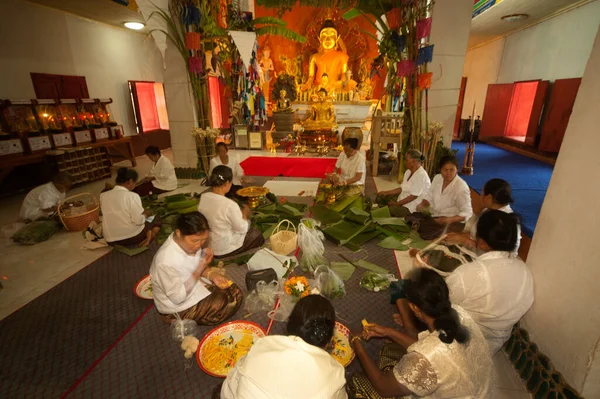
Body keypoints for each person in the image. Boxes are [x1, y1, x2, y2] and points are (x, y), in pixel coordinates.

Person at [350, 269, 496, 398]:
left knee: (357, 382)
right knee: (392, 351)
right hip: (476, 389)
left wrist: (357, 344)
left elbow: (383, 388)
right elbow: (429, 348)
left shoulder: (425, 357)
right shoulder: (459, 313)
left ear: (413, 307)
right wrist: (389, 332)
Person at [220, 295, 347, 399]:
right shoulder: (335, 373)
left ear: (289, 326)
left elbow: (233, 379)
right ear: (328, 340)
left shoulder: (263, 345)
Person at [446, 210, 533, 355]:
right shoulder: (525, 272)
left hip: (459, 342)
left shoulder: (468, 273)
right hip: (493, 345)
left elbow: (443, 305)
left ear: (482, 243)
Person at [149, 212, 242, 325]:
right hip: (177, 305)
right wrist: (200, 267)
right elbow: (177, 298)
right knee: (225, 303)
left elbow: (194, 265)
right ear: (178, 233)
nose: (199, 245)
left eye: (203, 240)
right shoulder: (165, 261)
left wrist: (212, 275)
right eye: (195, 241)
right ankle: (172, 318)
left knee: (235, 292)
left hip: (194, 285)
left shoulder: (188, 244)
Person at [197, 166, 264, 258]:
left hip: (208, 245)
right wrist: (244, 215)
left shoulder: (204, 197)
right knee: (256, 235)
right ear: (227, 183)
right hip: (223, 249)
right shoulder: (229, 205)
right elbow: (243, 229)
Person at [445, 178, 521, 256]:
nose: (480, 195)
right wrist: (457, 236)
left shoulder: (501, 221)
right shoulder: (488, 211)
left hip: (491, 262)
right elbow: (474, 235)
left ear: (489, 198)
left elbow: (488, 248)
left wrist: (463, 239)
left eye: (482, 193)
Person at [407, 155, 473, 240]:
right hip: (436, 216)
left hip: (452, 222)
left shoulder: (461, 187)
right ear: (440, 170)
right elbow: (429, 195)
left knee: (424, 231)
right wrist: (423, 203)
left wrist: (446, 220)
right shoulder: (437, 178)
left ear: (457, 169)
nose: (448, 173)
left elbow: (467, 213)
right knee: (411, 217)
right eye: (445, 170)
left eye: (452, 170)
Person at [100, 167, 161, 247]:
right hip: (132, 237)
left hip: (110, 240)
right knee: (155, 218)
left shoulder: (103, 196)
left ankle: (149, 233)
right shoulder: (132, 196)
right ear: (130, 181)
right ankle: (151, 234)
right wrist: (146, 214)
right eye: (135, 182)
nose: (135, 185)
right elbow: (139, 221)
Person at [375, 150, 431, 217]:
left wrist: (397, 204)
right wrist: (386, 192)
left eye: (406, 160)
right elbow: (402, 188)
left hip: (411, 206)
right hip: (402, 198)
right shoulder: (408, 172)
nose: (404, 162)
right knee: (380, 197)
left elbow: (413, 197)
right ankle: (391, 208)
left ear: (413, 161)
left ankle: (393, 209)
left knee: (387, 211)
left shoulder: (421, 175)